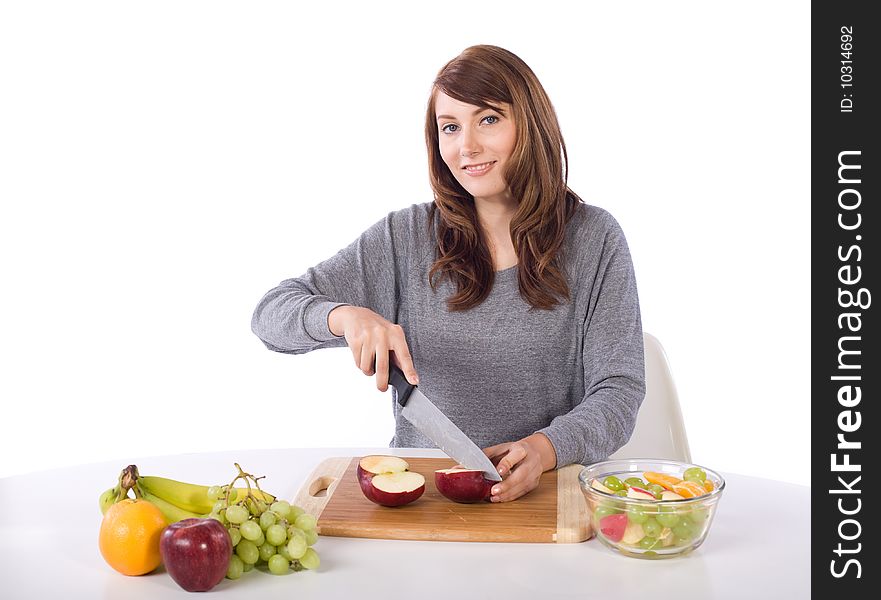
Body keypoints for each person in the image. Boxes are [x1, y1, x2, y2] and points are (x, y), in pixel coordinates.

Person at [251, 45, 645, 503]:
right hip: (423, 502)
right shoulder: (405, 237)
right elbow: (270, 316)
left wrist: (545, 449)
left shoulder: (594, 238)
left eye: (489, 119)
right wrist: (345, 316)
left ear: (531, 123)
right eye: (451, 127)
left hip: (546, 498)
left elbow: (619, 391)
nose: (467, 146)